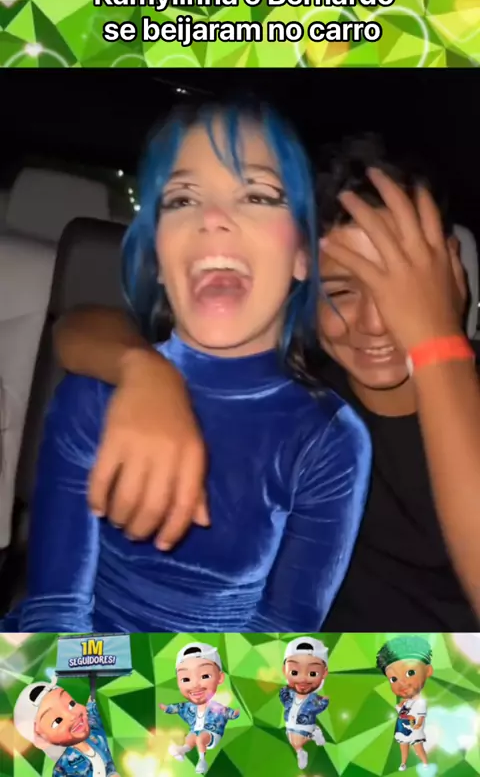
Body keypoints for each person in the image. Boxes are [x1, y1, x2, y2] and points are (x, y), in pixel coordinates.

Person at [51, 132, 480, 630]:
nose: (374, 324)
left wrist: (436, 339)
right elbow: (78, 327)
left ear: (450, 272)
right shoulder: (296, 385)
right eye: (340, 292)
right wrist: (145, 373)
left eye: (400, 294)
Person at [1, 103, 371, 633]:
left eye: (258, 195)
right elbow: (55, 614)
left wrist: (184, 684)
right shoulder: (96, 394)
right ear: (157, 253)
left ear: (302, 255)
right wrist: (115, 681)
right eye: (182, 199)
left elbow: (280, 639)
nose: (212, 217)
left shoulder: (329, 440)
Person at [159, 642, 239, 774]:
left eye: (205, 676)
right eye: (186, 679)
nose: (195, 685)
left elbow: (225, 712)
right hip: (195, 731)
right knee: (191, 737)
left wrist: (233, 714)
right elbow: (178, 707)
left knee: (200, 738)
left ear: (220, 678)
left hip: (212, 733)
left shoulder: (215, 706)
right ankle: (182, 750)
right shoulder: (189, 706)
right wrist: (167, 708)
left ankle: (202, 760)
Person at [13, 678, 119, 776]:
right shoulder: (62, 768)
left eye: (71, 704)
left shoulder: (94, 727)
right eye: (57, 721)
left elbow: (93, 701)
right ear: (41, 740)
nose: (72, 716)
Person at [376, 635, 433, 771]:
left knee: (417, 746)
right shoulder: (405, 703)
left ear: (428, 671)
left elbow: (420, 716)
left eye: (410, 673)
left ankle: (425, 763)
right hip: (402, 727)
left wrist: (417, 724)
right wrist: (401, 706)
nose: (402, 683)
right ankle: (403, 763)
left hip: (414, 728)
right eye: (393, 679)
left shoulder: (420, 702)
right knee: (403, 745)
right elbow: (400, 712)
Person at [280, 636, 329, 771]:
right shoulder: (289, 694)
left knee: (297, 741)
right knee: (293, 740)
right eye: (295, 672)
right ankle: (311, 738)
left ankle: (305, 745)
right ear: (285, 670)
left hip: (305, 723)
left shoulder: (312, 699)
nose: (302, 679)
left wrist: (322, 702)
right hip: (290, 723)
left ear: (324, 673)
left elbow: (319, 706)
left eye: (312, 673)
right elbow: (284, 699)